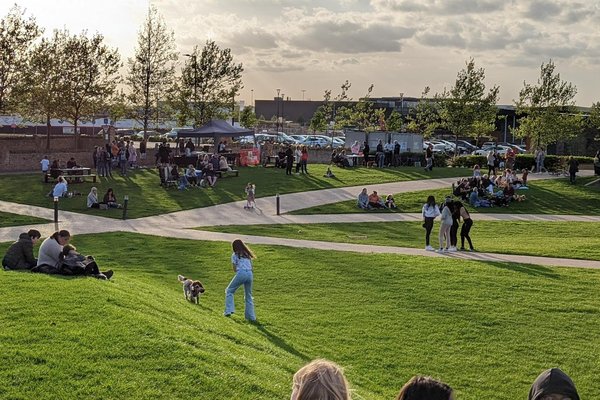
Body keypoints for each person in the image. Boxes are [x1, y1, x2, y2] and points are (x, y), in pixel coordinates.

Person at [224, 239, 256, 321]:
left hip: (241, 273)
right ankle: (251, 317)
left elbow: (234, 269)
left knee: (229, 290)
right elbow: (252, 268)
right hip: (250, 274)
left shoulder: (234, 255)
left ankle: (229, 310)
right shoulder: (247, 254)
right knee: (248, 295)